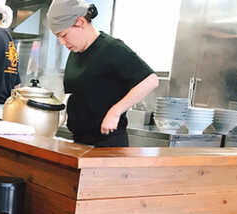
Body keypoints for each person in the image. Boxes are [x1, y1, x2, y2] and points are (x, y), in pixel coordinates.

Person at [46, 0, 159, 147]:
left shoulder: (110, 48)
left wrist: (115, 112)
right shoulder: (75, 52)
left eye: (64, 35)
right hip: (80, 141)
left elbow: (150, 80)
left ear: (80, 22)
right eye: (58, 37)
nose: (62, 42)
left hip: (107, 144)